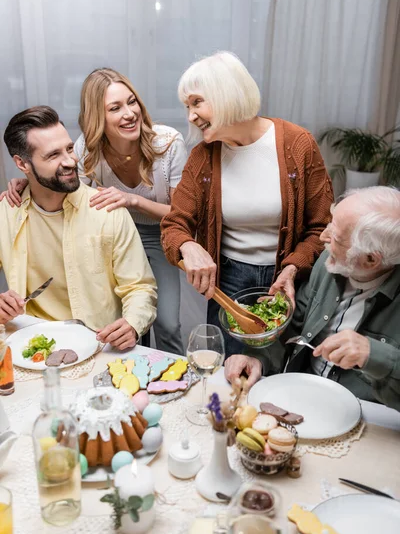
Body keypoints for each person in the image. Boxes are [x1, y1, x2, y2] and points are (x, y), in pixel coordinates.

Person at [2, 69, 187, 355]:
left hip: (159, 228)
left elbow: (180, 215)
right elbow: (63, 186)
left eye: (131, 102)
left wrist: (132, 323)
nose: (129, 113)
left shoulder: (167, 144)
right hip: (36, 339)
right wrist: (26, 184)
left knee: (167, 322)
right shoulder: (85, 150)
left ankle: (169, 365)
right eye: (115, 108)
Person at [161, 51, 333, 355]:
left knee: (284, 371)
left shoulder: (298, 144)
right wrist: (188, 246)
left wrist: (293, 268)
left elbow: (322, 227)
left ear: (226, 94)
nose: (190, 116)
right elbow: (174, 225)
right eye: (187, 106)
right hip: (229, 282)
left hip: (289, 281)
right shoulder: (203, 157)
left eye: (197, 102)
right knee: (231, 374)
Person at [224, 186, 400, 411]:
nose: (322, 237)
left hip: (366, 417)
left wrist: (374, 355)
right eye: (330, 224)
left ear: (371, 260)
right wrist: (258, 358)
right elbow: (293, 327)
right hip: (301, 397)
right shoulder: (330, 263)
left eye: (335, 236)